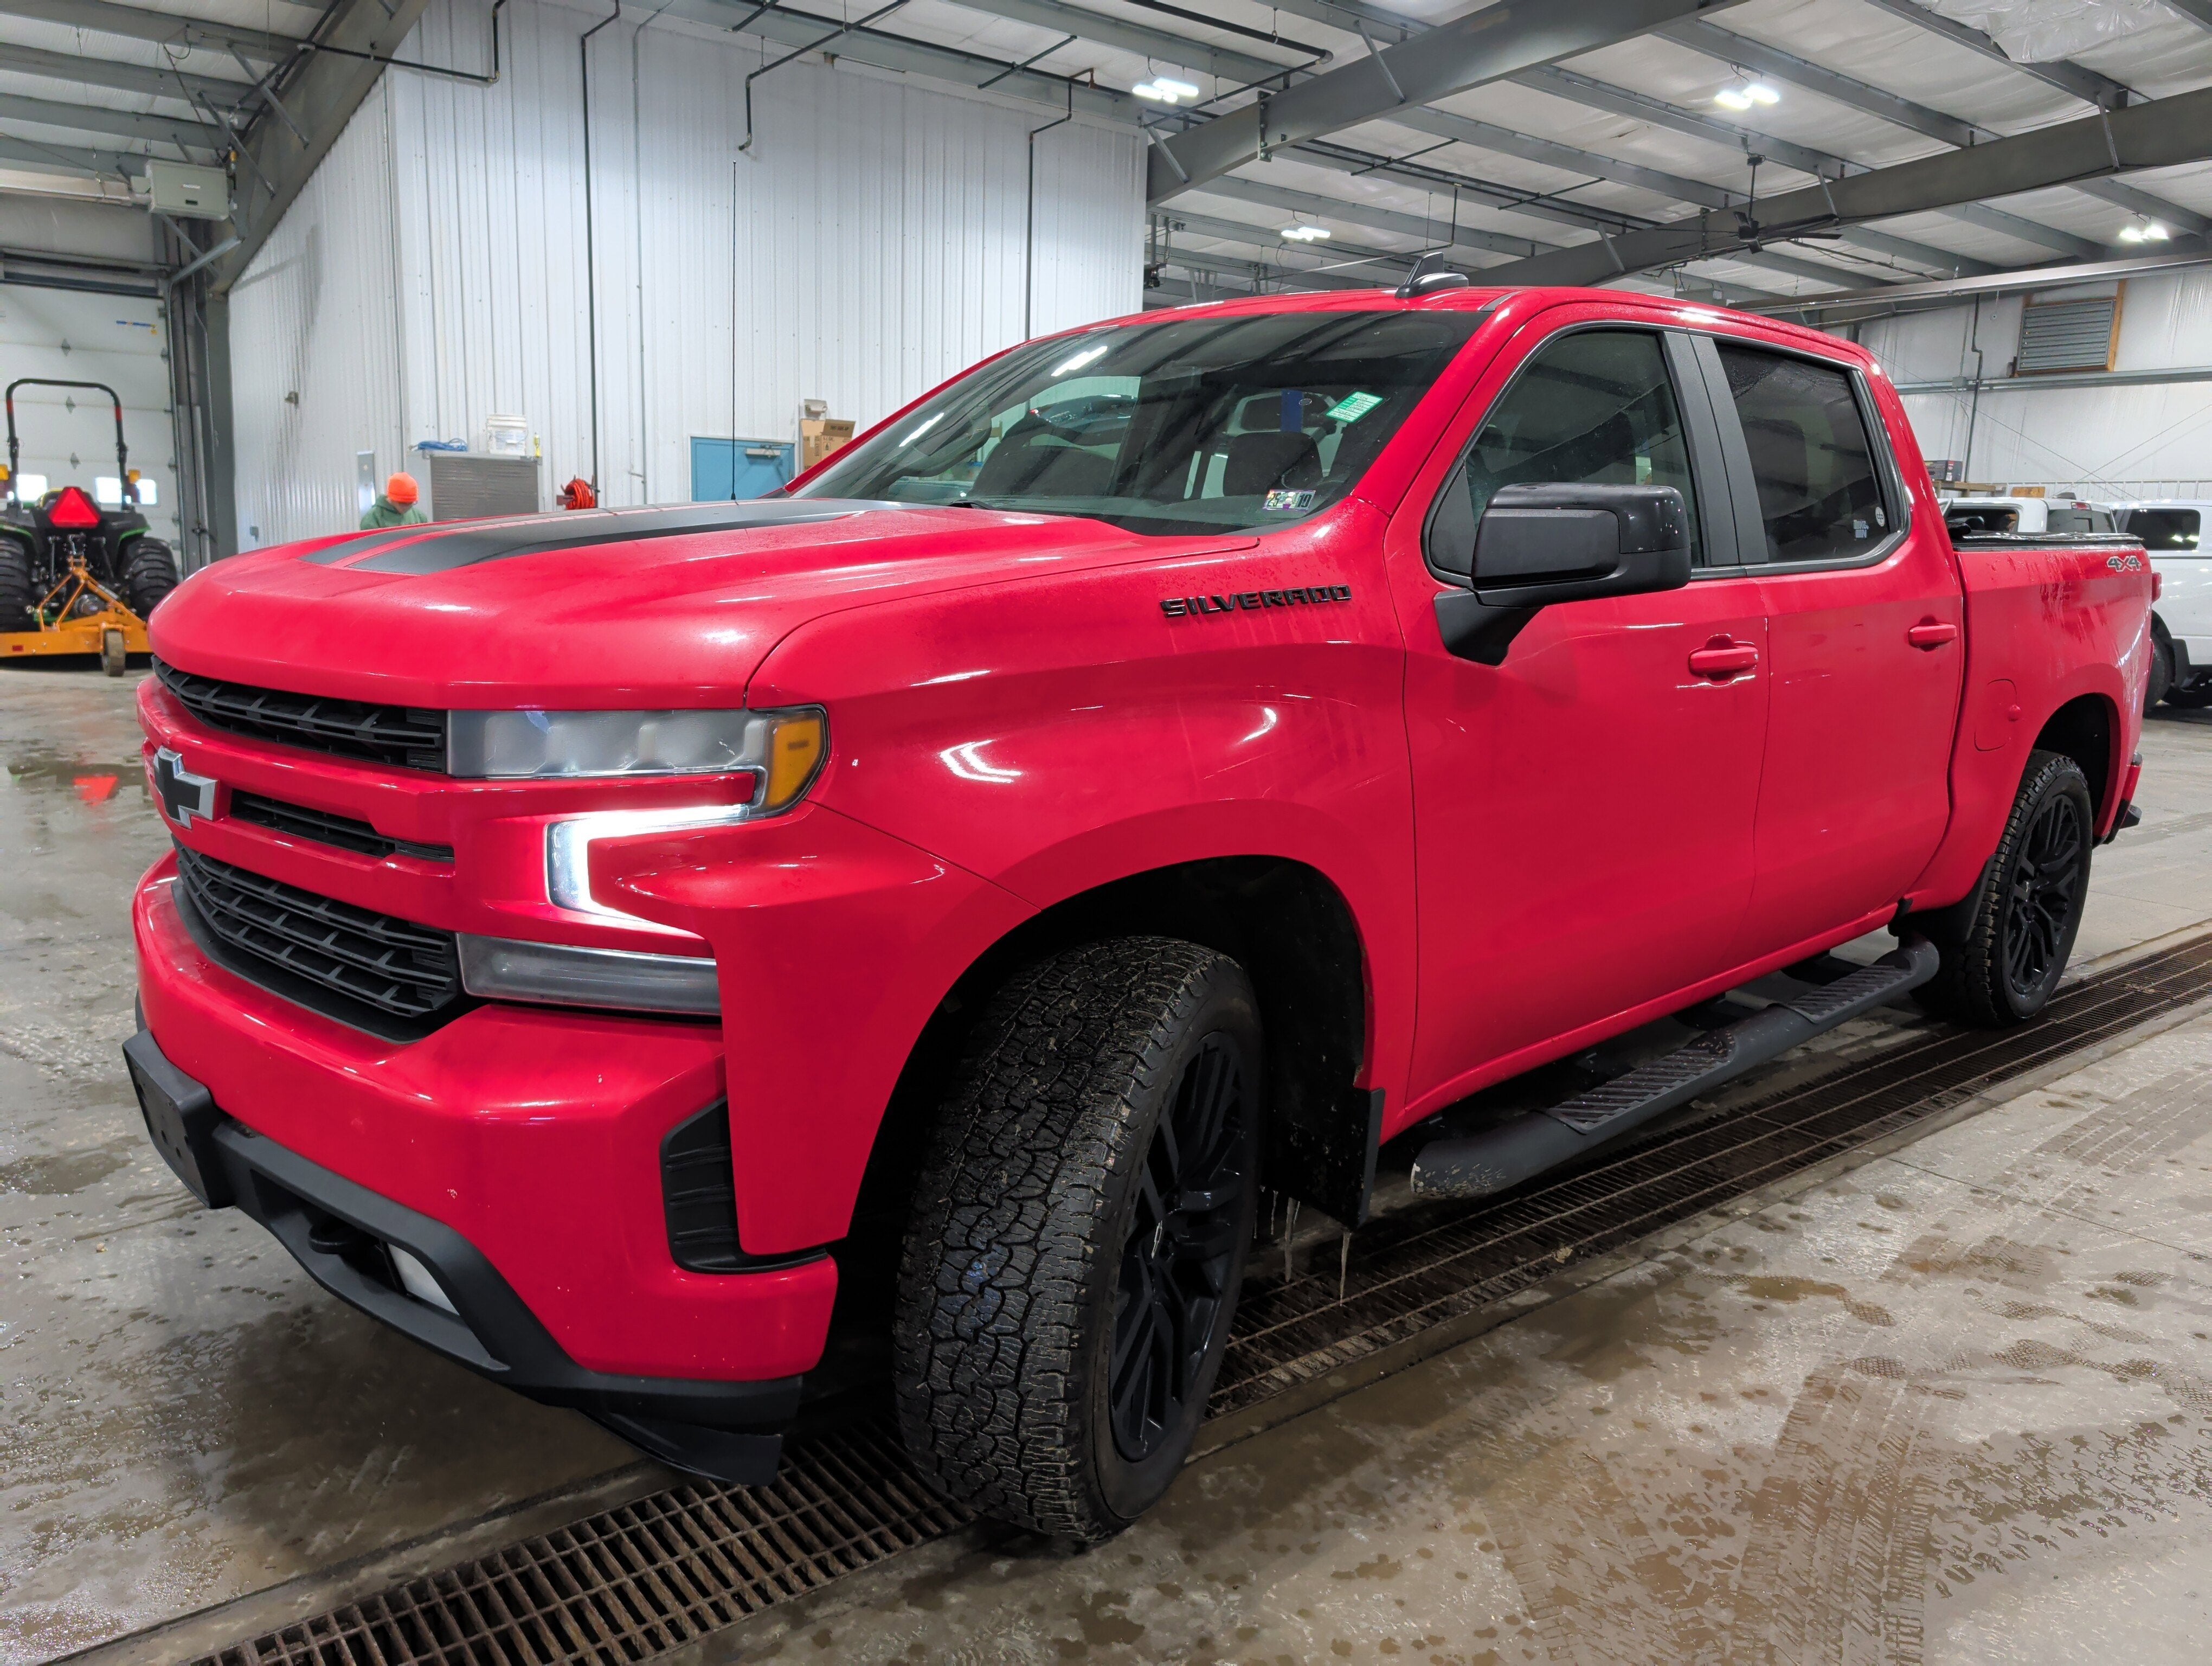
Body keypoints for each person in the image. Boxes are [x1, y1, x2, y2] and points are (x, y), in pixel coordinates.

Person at [359, 472, 429, 529]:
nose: (406, 508)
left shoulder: (420, 518)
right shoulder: (373, 519)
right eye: (402, 503)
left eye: (410, 503)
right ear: (391, 498)